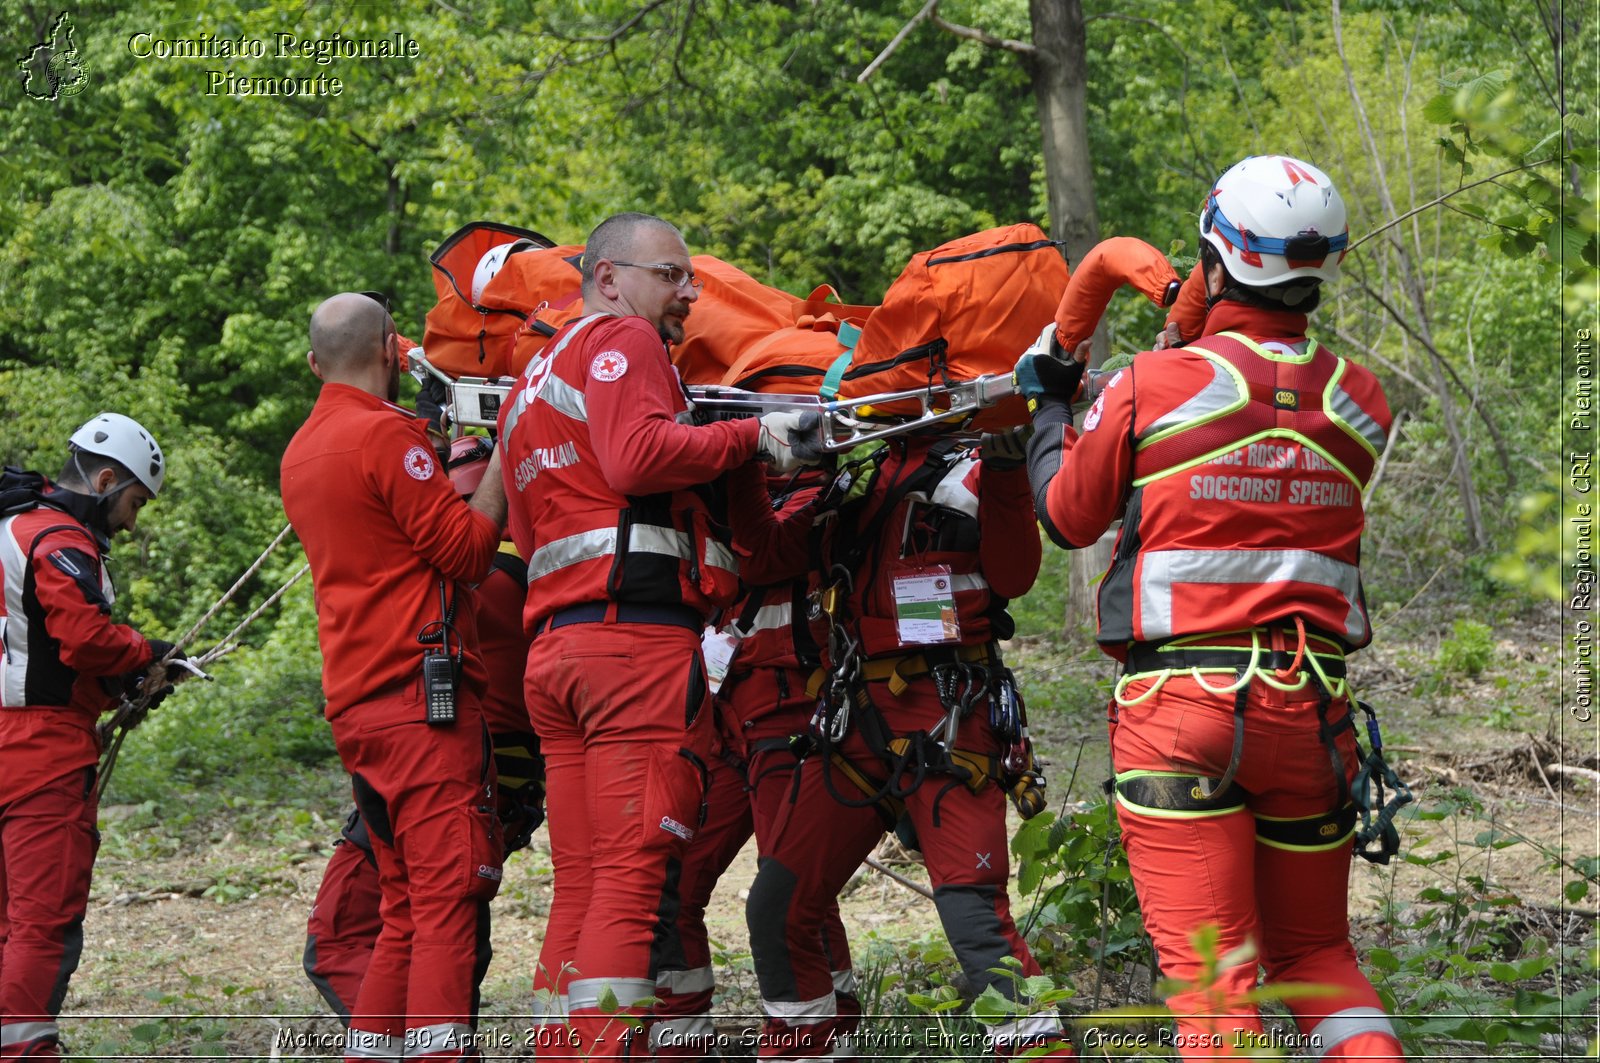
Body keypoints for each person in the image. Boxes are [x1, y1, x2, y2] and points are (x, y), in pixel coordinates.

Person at [1016, 154, 1405, 1060]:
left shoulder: (1151, 387)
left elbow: (1068, 516)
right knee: (1318, 958)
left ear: (1217, 263)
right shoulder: (1365, 403)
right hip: (1312, 711)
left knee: (1215, 983)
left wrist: (1048, 409)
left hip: (1180, 710)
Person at [496, 211, 819, 1060]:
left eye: (689, 279)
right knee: (632, 885)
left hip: (559, 654)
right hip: (631, 652)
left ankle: (562, 1049)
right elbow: (638, 460)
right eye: (670, 274)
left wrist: (729, 461)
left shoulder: (532, 382)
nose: (687, 293)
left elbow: (534, 535)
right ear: (608, 279)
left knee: (582, 883)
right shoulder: (625, 343)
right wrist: (757, 431)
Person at [742, 428, 1075, 1059]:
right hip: (853, 715)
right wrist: (748, 455)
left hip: (947, 715)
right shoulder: (859, 472)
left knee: (973, 915)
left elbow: (1015, 574)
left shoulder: (979, 468)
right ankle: (806, 1044)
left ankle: (1039, 1051)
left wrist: (1006, 469)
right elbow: (764, 556)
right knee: (777, 906)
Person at [281, 292, 510, 1063]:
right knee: (448, 897)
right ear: (390, 348)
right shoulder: (387, 437)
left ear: (315, 363)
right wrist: (508, 448)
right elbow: (470, 551)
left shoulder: (302, 451)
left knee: (406, 903)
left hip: (358, 707)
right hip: (422, 704)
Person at [303, 437, 543, 1024]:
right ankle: (433, 1033)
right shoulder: (538, 572)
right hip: (482, 776)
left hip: (429, 763)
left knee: (354, 936)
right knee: (441, 921)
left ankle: (423, 1038)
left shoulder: (468, 578)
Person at [650, 467, 860, 1060]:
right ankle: (680, 1035)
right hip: (719, 722)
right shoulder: (700, 495)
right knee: (674, 878)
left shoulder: (827, 490)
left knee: (789, 888)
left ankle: (828, 1028)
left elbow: (766, 555)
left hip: (792, 714)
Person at [0, 413, 178, 1059]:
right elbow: (84, 638)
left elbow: (39, 654)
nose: (131, 522)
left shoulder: (9, 531)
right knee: (41, 923)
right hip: (39, 757)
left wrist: (120, 685)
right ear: (105, 479)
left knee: (6, 924)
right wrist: (148, 652)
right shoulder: (58, 539)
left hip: (21, 736)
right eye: (133, 501)